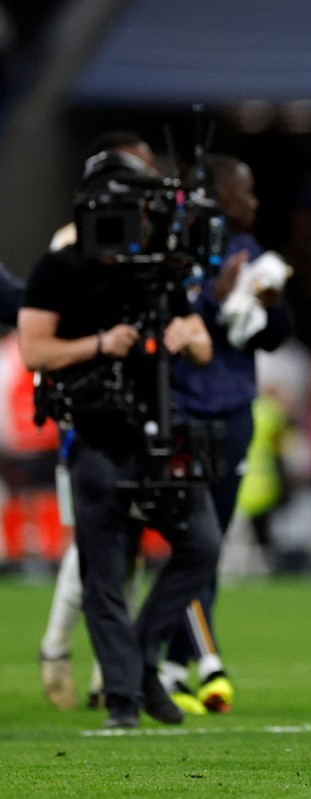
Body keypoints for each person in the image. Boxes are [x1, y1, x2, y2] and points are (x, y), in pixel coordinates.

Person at [19, 141, 221, 728]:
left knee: (202, 547)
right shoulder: (60, 265)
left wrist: (192, 335)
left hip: (163, 428)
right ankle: (124, 704)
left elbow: (203, 345)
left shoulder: (165, 264)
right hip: (96, 431)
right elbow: (35, 348)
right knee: (102, 570)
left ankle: (136, 658)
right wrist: (100, 345)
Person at [158, 154, 291, 715]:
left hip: (235, 412)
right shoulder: (174, 253)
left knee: (206, 549)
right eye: (245, 191)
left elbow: (273, 340)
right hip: (185, 412)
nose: (254, 202)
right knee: (196, 544)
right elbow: (170, 325)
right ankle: (200, 663)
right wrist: (214, 298)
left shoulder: (255, 255)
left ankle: (165, 667)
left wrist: (272, 307)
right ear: (216, 196)